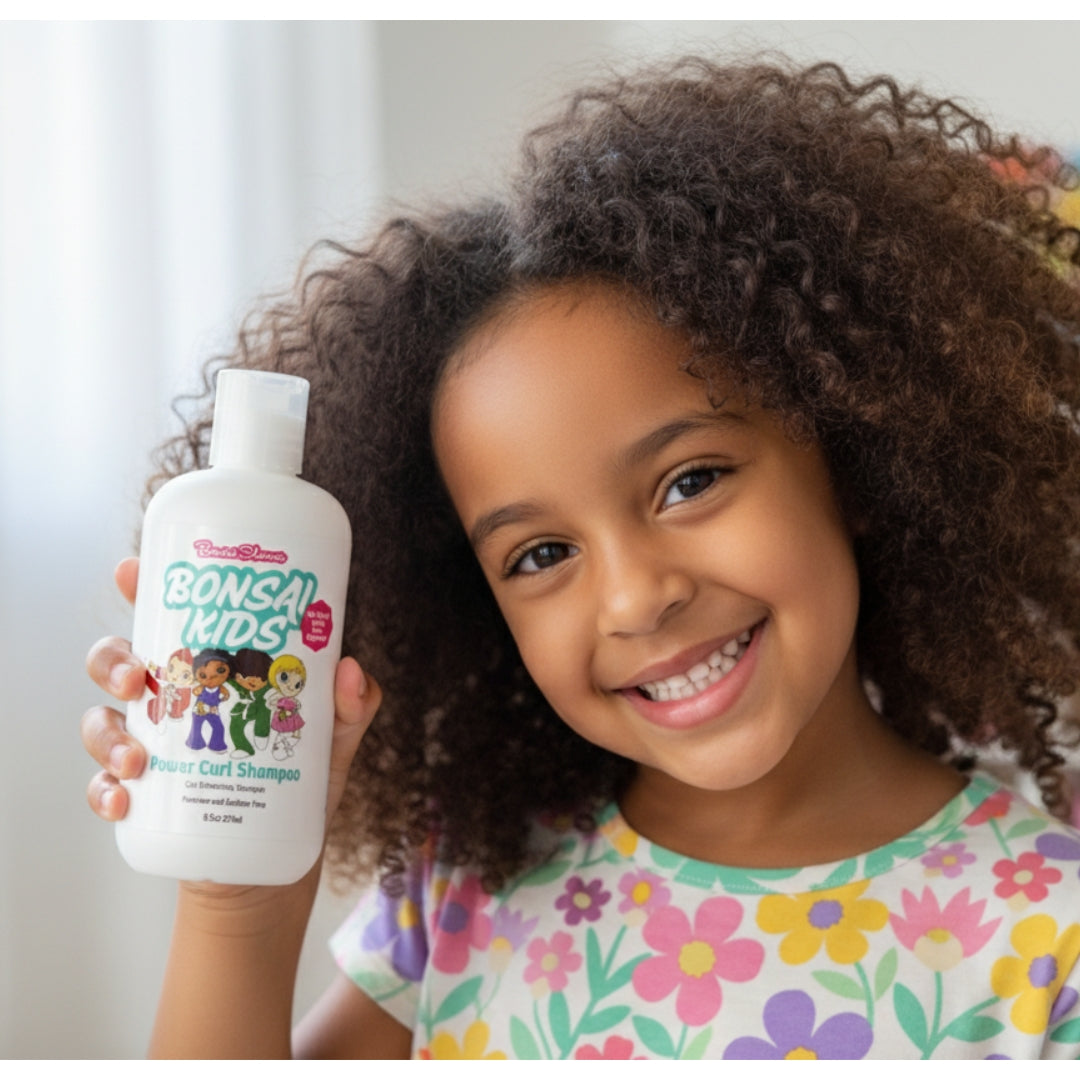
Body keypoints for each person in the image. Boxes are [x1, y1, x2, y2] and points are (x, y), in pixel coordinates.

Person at [80, 55, 1080, 1059]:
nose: (636, 598)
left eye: (691, 482)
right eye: (542, 553)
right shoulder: (461, 890)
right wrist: (239, 906)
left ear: (856, 458)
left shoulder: (1049, 937)